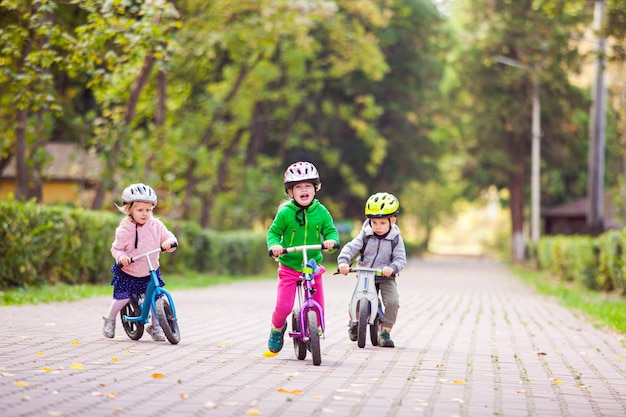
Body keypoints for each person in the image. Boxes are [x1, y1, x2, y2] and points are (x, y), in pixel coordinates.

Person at [266, 161, 340, 353]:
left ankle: (314, 329)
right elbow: (273, 233)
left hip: (312, 266)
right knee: (284, 307)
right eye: (298, 187)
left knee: (319, 307)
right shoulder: (285, 213)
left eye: (308, 186)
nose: (304, 190)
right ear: (290, 192)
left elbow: (331, 231)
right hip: (290, 267)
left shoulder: (321, 212)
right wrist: (275, 245)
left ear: (315, 189)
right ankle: (277, 328)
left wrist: (331, 242)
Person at [102, 183, 178, 341]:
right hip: (129, 272)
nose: (145, 214)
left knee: (155, 299)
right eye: (140, 210)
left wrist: (169, 243)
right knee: (122, 297)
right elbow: (116, 249)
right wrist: (121, 257)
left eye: (148, 210)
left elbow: (169, 237)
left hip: (150, 270)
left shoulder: (156, 225)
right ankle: (110, 320)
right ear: (129, 210)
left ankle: (156, 327)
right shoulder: (124, 230)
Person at [337, 192, 406, 348]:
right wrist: (343, 262)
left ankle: (385, 332)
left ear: (392, 220)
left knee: (393, 301)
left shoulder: (395, 238)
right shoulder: (366, 235)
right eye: (374, 222)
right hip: (365, 274)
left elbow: (401, 259)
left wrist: (392, 268)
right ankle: (354, 322)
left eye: (382, 223)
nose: (378, 227)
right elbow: (351, 247)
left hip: (385, 276)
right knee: (356, 300)